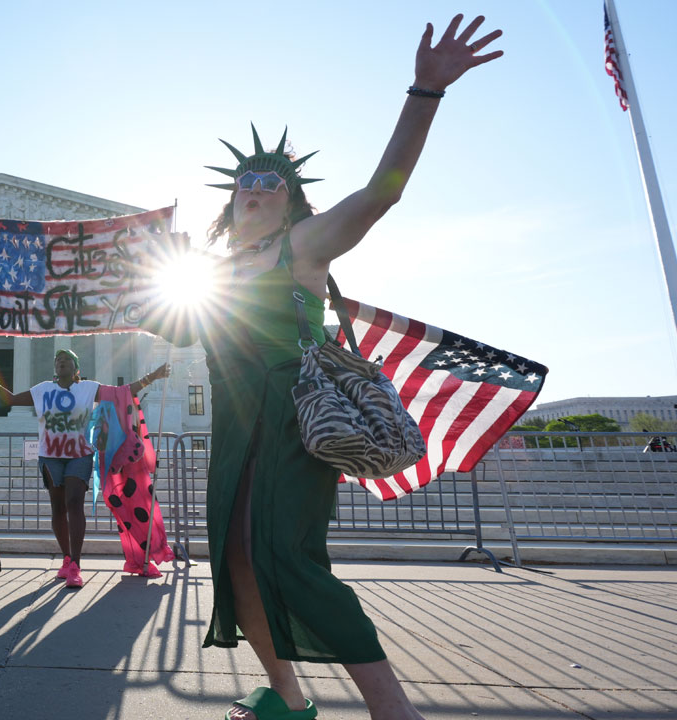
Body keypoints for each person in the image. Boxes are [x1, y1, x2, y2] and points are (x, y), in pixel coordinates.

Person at [139, 16, 502, 720]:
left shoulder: (302, 246)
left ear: (293, 201)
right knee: (237, 557)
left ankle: (393, 710)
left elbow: (381, 193)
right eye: (247, 178)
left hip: (292, 420)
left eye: (273, 180)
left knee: (289, 557)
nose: (257, 184)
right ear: (231, 199)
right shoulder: (210, 274)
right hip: (235, 431)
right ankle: (286, 698)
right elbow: (166, 320)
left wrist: (423, 92)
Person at [0, 349, 169, 588]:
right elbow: (11, 399)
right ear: (55, 369)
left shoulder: (88, 388)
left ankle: (75, 564)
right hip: (50, 457)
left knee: (74, 502)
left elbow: (122, 392)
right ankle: (66, 558)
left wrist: (153, 376)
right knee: (58, 508)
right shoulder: (43, 389)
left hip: (80, 455)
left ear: (76, 369)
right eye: (58, 360)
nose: (61, 362)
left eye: (67, 360)